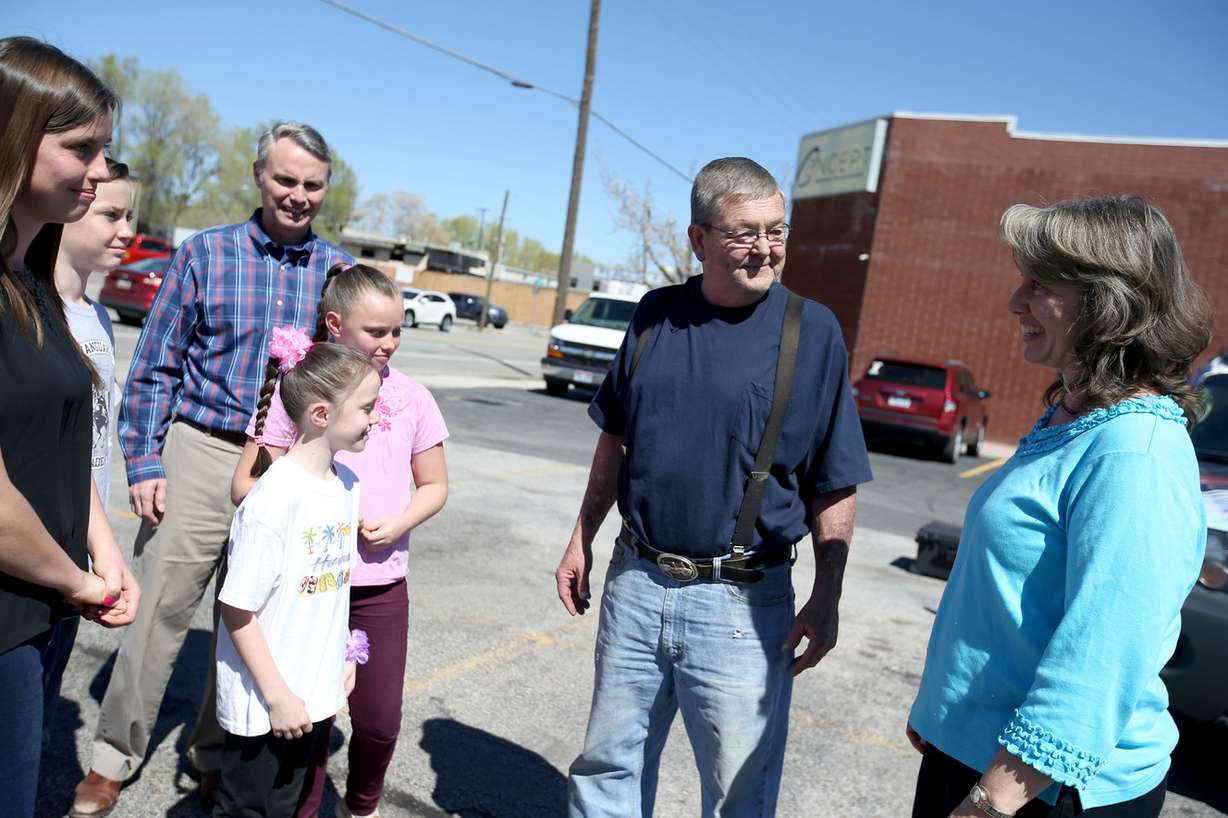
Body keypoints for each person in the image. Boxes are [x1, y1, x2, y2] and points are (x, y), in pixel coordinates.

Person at [555, 157, 873, 816]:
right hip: (635, 582)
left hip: (742, 607)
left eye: (776, 230)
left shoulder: (812, 333)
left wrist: (829, 592)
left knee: (738, 790)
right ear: (698, 240)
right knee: (608, 765)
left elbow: (835, 482)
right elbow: (614, 437)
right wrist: (581, 537)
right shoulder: (653, 316)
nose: (765, 248)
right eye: (744, 232)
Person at [72, 122, 354, 818]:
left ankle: (217, 756)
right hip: (202, 447)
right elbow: (157, 364)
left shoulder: (337, 272)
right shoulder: (207, 254)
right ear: (259, 174)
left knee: (253, 614)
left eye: (311, 184)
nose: (297, 195)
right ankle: (113, 757)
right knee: (161, 606)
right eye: (285, 179)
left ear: (326, 187)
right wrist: (143, 459)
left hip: (288, 462)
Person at [907, 196, 1212, 818]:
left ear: (1107, 303)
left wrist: (993, 801)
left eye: (1039, 283)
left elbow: (1102, 656)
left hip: (1044, 789)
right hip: (983, 755)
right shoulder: (1075, 415)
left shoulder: (1136, 450)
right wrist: (947, 712)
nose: (1016, 302)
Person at [230, 263, 449, 818]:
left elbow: (435, 485)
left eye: (398, 331)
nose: (389, 343)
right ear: (335, 324)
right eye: (377, 331)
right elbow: (248, 484)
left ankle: (362, 804)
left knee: (378, 720)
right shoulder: (302, 390)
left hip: (378, 584)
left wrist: (398, 523)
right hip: (311, 588)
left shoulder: (413, 398)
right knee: (313, 717)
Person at [0, 36, 140, 817]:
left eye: (104, 149)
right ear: (13, 134)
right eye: (81, 148)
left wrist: (106, 551)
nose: (98, 171)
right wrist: (78, 578)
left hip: (39, 613)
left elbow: (58, 443)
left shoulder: (33, 279)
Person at [214, 335, 380, 816]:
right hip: (266, 700)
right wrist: (278, 696)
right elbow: (238, 608)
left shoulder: (346, 485)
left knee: (286, 806)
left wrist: (344, 652)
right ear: (322, 415)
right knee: (247, 808)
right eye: (367, 408)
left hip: (312, 690)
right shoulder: (274, 499)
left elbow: (334, 585)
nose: (374, 418)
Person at [54, 156, 132, 511]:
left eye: (128, 217)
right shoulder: (33, 312)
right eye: (111, 215)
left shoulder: (98, 316)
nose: (127, 232)